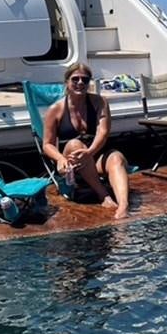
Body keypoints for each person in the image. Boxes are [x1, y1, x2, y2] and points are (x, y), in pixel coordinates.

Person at [41, 62, 132, 219]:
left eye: (85, 79)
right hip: (72, 161)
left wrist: (90, 152)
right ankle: (103, 195)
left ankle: (123, 205)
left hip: (96, 156)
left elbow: (103, 132)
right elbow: (47, 144)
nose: (80, 83)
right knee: (74, 144)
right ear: (67, 82)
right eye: (75, 79)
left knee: (116, 158)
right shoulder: (55, 110)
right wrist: (60, 158)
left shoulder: (99, 102)